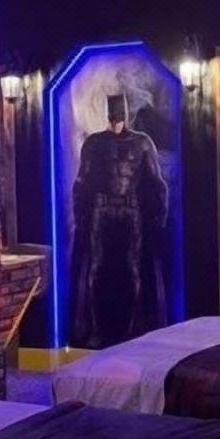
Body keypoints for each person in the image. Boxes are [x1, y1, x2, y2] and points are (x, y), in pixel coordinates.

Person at [70, 93, 168, 348]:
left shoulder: (142, 143)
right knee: (97, 268)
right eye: (113, 117)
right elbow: (81, 182)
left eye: (119, 117)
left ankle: (133, 327)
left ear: (125, 116)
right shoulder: (94, 143)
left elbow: (157, 184)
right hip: (101, 210)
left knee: (132, 269)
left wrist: (160, 217)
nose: (116, 122)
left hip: (130, 209)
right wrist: (80, 216)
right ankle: (96, 329)